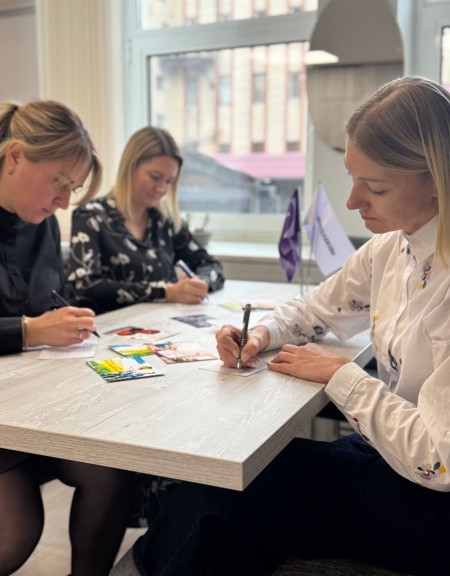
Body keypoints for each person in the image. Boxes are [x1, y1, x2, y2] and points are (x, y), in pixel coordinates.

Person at [110, 76, 450, 576]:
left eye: (375, 187)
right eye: (352, 177)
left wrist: (340, 376)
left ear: (437, 178)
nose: (353, 201)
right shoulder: (391, 249)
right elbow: (313, 310)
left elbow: (437, 459)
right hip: (390, 455)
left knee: (222, 493)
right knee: (233, 496)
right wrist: (260, 334)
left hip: (434, 499)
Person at [0, 100, 130, 576]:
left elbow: (43, 301)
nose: (64, 202)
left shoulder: (42, 224)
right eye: (59, 182)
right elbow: (29, 323)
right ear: (15, 156)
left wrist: (63, 318)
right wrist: (31, 330)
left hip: (27, 402)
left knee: (111, 471)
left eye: (72, 189)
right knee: (16, 530)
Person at [65, 126, 224, 314]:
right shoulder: (90, 216)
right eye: (155, 177)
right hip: (107, 327)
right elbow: (84, 285)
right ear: (130, 168)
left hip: (159, 325)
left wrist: (199, 285)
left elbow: (211, 265)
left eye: (169, 181)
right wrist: (166, 292)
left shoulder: (164, 220)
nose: (162, 189)